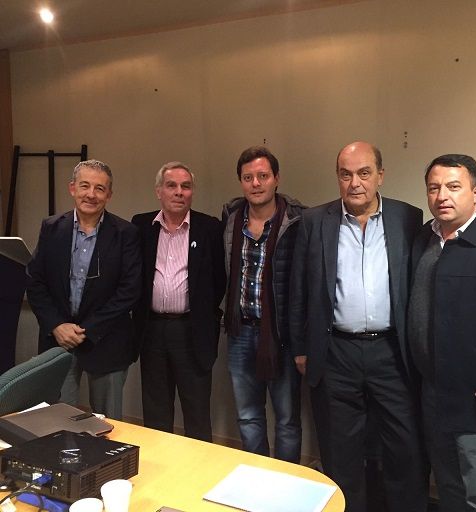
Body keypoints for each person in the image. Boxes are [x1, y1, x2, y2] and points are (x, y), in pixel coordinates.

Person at [289, 141, 428, 511]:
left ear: (380, 175)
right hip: (336, 351)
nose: (355, 183)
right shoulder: (315, 221)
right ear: (337, 177)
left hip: (392, 351)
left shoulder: (408, 218)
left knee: (404, 446)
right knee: (340, 449)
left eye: (364, 173)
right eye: (346, 174)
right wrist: (300, 348)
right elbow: (298, 289)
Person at [409, 154, 476, 512]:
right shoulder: (424, 241)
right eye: (434, 188)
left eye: (453, 187)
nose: (442, 196)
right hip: (433, 396)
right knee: (449, 491)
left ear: (475, 192)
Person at [27, 159, 141, 420]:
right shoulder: (51, 228)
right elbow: (35, 281)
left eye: (100, 188)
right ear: (72, 188)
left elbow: (129, 290)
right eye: (85, 186)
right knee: (57, 420)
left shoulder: (126, 233)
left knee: (109, 423)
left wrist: (87, 330)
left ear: (109, 195)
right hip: (58, 341)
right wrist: (57, 325)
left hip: (107, 340)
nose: (91, 194)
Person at [132, 162, 225, 442]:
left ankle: (199, 467)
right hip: (152, 330)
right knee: (156, 411)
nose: (179, 192)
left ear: (192, 192)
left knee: (197, 412)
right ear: (159, 191)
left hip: (192, 330)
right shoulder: (141, 225)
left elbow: (219, 280)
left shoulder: (209, 227)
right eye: (171, 185)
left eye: (186, 186)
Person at [223, 146, 305, 462]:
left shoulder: (298, 221)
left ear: (276, 179)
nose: (256, 183)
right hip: (240, 332)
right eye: (248, 178)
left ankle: (287, 480)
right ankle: (258, 476)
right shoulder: (231, 219)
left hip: (282, 335)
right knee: (248, 416)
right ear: (241, 182)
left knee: (287, 420)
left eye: (263, 176)